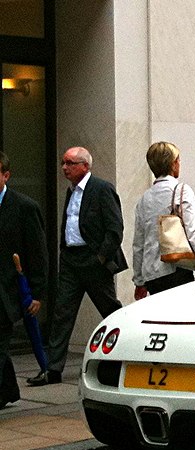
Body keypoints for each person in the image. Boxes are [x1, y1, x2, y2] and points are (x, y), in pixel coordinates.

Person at [27, 147, 127, 387]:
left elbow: (115, 229)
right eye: (63, 163)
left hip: (93, 261)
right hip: (71, 261)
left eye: (70, 163)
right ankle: (52, 369)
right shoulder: (71, 192)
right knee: (62, 313)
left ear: (85, 166)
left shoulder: (102, 189)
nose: (64, 168)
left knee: (110, 311)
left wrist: (100, 259)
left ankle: (127, 354)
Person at [132, 141, 195, 300]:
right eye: (178, 160)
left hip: (151, 273)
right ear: (173, 164)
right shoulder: (181, 191)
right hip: (176, 268)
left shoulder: (144, 199)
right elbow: (194, 230)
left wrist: (139, 281)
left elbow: (138, 243)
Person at [0, 152, 47, 407]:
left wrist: (38, 293)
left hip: (7, 290)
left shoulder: (25, 207)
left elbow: (38, 253)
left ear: (6, 176)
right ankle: (7, 390)